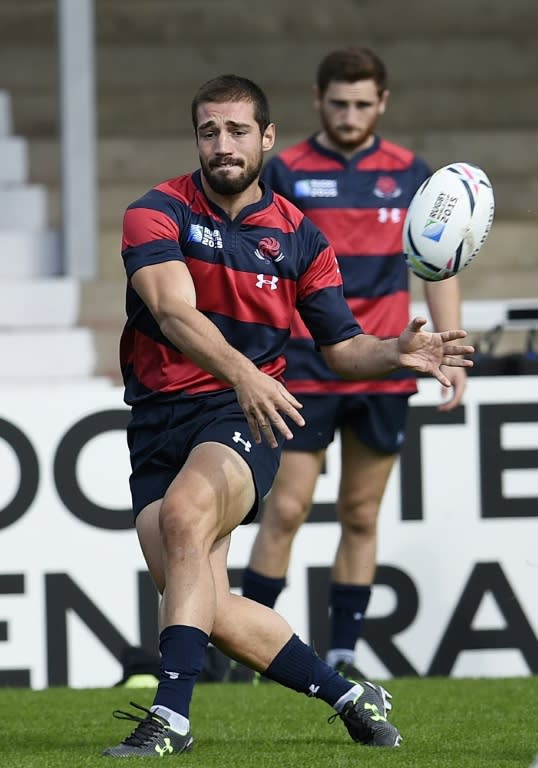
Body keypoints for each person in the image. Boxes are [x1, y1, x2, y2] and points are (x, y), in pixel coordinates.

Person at [102, 73, 473, 758]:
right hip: (160, 420)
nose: (223, 144)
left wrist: (396, 350)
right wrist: (243, 370)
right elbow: (173, 312)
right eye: (210, 130)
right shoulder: (154, 213)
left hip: (245, 415)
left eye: (238, 129)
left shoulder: (301, 239)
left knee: (185, 517)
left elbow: (342, 349)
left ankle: (171, 719)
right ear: (196, 140)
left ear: (267, 137)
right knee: (203, 604)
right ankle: (348, 696)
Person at [241, 47, 467, 679]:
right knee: (285, 510)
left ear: (382, 103)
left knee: (361, 513)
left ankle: (343, 652)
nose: (349, 114)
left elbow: (438, 262)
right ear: (317, 101)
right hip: (308, 367)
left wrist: (448, 349)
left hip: (388, 362)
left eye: (362, 104)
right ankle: (248, 647)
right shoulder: (283, 171)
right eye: (338, 102)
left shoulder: (412, 172)